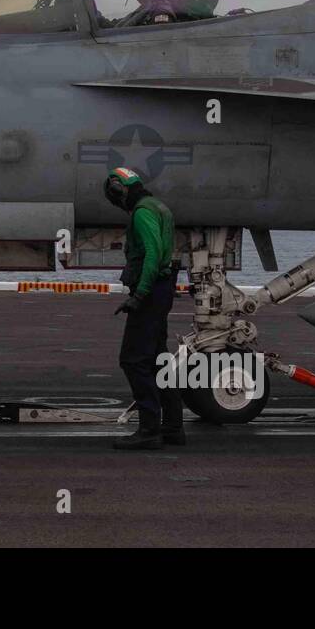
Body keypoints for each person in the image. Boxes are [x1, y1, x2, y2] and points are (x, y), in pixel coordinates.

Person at [105, 167, 185, 450]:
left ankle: (149, 428)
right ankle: (173, 427)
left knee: (133, 360)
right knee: (156, 359)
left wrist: (139, 295)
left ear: (119, 190)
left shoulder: (142, 212)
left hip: (151, 291)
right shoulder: (158, 206)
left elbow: (152, 254)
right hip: (162, 289)